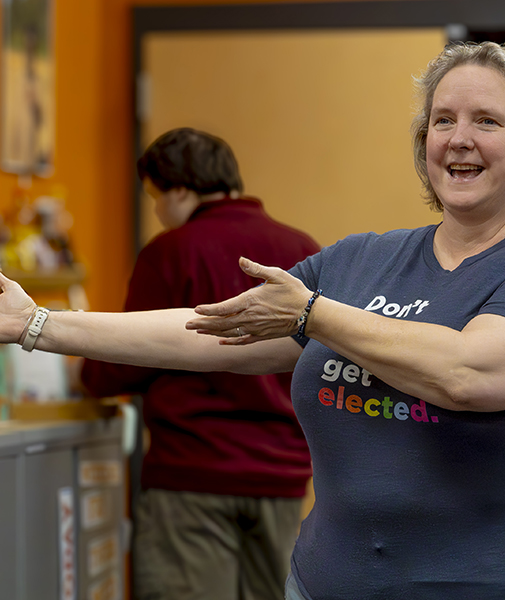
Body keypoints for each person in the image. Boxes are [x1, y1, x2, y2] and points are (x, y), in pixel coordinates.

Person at [0, 39, 505, 599]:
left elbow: (469, 372)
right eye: (442, 121)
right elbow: (206, 330)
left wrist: (314, 314)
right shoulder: (361, 261)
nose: (458, 139)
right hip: (333, 582)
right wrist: (39, 325)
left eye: (486, 121)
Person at [79, 128, 320, 600]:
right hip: (283, 476)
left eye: (156, 198)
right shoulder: (303, 249)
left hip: (192, 475)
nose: (157, 213)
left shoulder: (170, 252)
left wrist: (85, 374)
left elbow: (128, 358)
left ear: (181, 191)